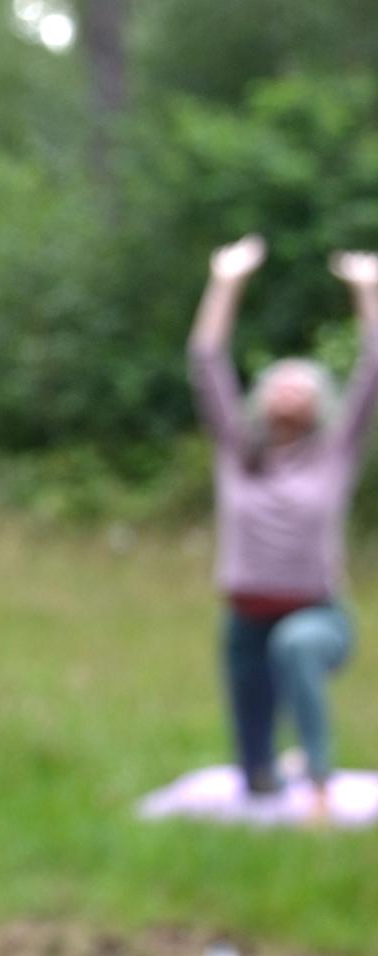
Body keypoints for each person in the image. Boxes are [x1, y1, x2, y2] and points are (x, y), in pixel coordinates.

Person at [188, 235, 378, 821]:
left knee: (295, 646)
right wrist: (226, 281)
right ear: (260, 399)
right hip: (244, 618)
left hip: (318, 614)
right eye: (280, 379)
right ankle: (273, 771)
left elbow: (374, 370)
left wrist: (368, 290)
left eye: (304, 382)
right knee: (256, 781)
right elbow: (206, 361)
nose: (290, 386)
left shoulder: (333, 454)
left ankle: (319, 781)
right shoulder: (237, 451)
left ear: (320, 404)